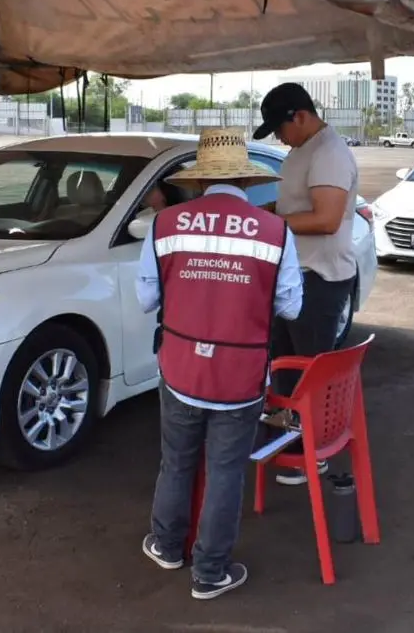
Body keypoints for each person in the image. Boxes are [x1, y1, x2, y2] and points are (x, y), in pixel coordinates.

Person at [135, 127, 303, 600]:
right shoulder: (275, 231)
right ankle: (210, 573)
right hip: (241, 375)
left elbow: (147, 297)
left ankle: (167, 546)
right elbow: (291, 307)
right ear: (247, 182)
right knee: (226, 470)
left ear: (199, 181)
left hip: (180, 367)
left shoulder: (165, 224)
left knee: (177, 460)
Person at [252, 82, 359, 486]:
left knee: (309, 371)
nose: (278, 137)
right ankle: (289, 443)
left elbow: (326, 220)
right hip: (296, 275)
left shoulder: (329, 153)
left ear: (300, 115)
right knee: (284, 368)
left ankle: (311, 453)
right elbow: (294, 207)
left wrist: (270, 224)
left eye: (279, 128)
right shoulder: (301, 151)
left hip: (321, 279)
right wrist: (262, 213)